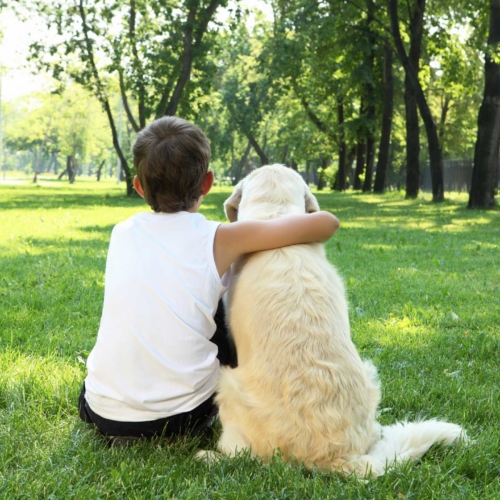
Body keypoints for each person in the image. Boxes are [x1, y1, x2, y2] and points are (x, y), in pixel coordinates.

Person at [78, 116, 340, 445]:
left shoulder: (122, 232)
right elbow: (327, 224)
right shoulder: (220, 238)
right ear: (207, 183)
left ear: (139, 187)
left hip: (102, 412)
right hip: (183, 418)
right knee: (222, 313)